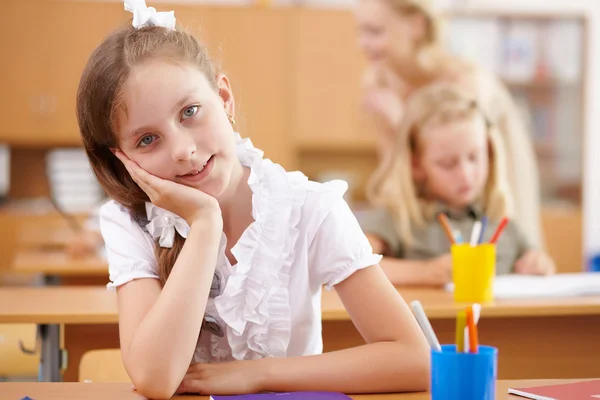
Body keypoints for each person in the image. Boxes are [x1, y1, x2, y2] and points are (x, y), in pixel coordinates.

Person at [75, 1, 429, 398]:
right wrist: (205, 225)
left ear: (224, 98)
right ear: (122, 159)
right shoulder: (130, 221)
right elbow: (155, 379)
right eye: (147, 139)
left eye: (190, 111)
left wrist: (259, 374)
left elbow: (414, 360)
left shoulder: (309, 207)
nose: (183, 150)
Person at [355, 0, 544, 249]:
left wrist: (401, 120)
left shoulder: (467, 81)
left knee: (505, 249)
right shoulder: (379, 84)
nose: (362, 44)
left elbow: (465, 162)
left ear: (416, 26)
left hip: (493, 180)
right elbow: (396, 172)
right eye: (361, 31)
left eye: (375, 32)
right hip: (437, 198)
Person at [359, 83, 555, 287]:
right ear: (416, 165)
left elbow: (538, 262)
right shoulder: (397, 217)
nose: (465, 174)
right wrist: (425, 272)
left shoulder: (502, 220)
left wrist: (539, 264)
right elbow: (355, 266)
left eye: (474, 157)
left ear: (489, 151)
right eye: (448, 164)